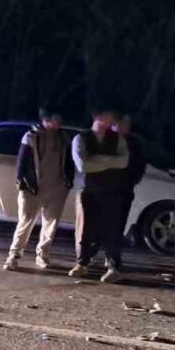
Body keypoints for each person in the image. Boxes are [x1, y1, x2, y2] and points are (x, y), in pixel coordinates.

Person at [4, 107, 73, 271]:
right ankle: (13, 256)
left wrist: (67, 182)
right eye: (56, 118)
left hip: (56, 187)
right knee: (25, 221)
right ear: (46, 119)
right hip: (32, 187)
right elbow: (21, 164)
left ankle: (43, 255)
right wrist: (23, 183)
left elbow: (69, 162)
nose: (59, 121)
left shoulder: (64, 138)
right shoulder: (31, 136)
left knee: (51, 223)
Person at [69, 109, 129, 283]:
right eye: (108, 118)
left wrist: (96, 159)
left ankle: (114, 267)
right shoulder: (81, 139)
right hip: (90, 190)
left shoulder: (118, 139)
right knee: (86, 230)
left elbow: (123, 162)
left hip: (112, 190)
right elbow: (83, 165)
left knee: (113, 231)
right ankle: (82, 263)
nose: (111, 122)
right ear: (98, 117)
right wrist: (110, 161)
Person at [114, 114, 147, 254]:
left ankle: (112, 258)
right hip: (105, 188)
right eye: (123, 123)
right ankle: (88, 256)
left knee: (118, 224)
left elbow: (140, 163)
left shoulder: (134, 142)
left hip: (125, 188)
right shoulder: (106, 140)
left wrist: (133, 180)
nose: (126, 126)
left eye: (128, 124)